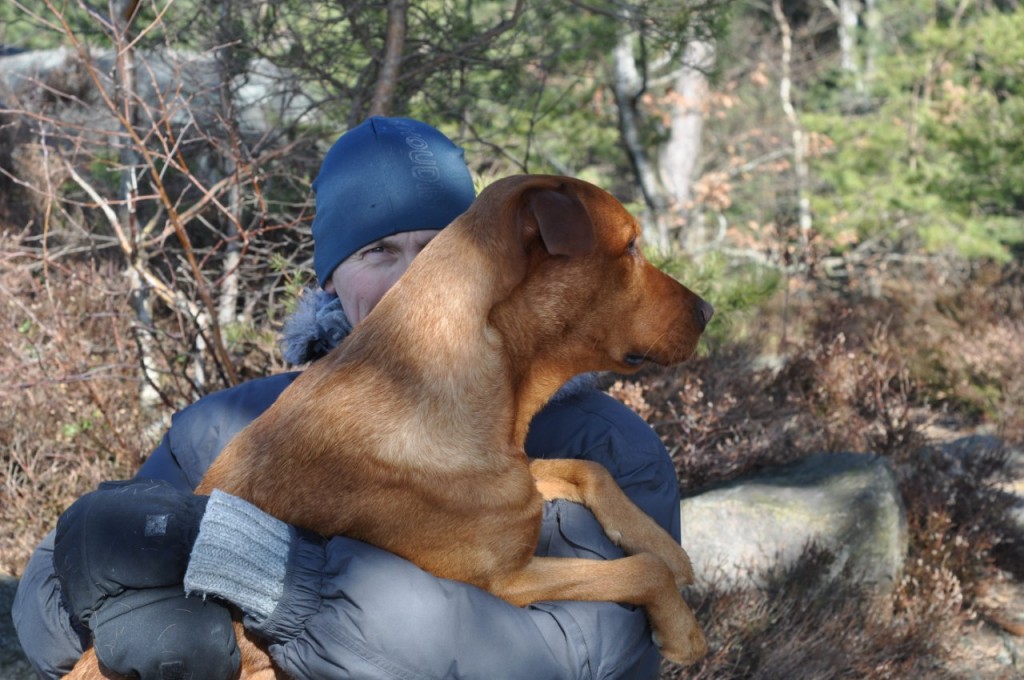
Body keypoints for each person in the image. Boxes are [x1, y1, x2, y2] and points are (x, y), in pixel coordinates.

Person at [13, 117, 685, 680]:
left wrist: (289, 585)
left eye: (436, 248)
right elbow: (44, 620)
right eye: (379, 251)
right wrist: (103, 594)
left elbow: (567, 658)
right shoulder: (221, 431)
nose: (414, 276)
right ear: (331, 279)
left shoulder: (599, 444)